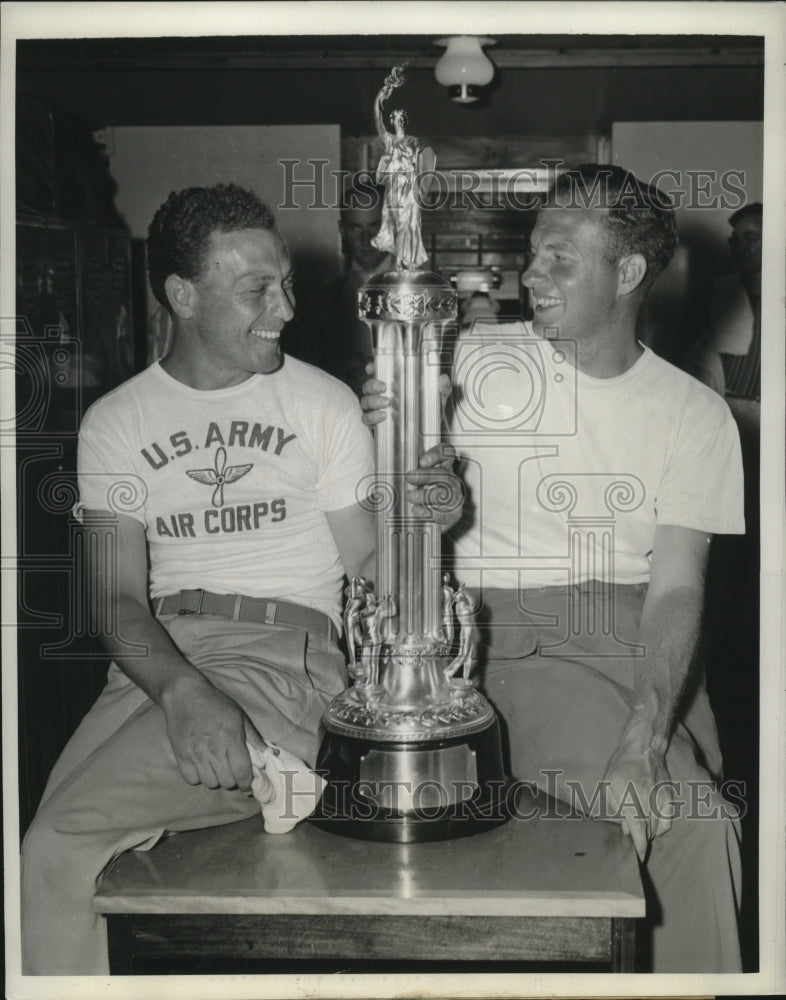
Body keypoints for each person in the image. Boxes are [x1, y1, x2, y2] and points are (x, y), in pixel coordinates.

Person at [20, 182, 458, 976]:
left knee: (55, 845)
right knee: (40, 836)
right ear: (182, 295)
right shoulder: (116, 421)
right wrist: (184, 693)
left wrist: (423, 518)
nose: (286, 307)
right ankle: (276, 771)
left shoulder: (323, 404)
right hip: (159, 660)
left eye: (285, 282)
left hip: (281, 651)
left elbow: (367, 569)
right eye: (258, 289)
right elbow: (116, 600)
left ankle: (293, 753)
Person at [361, 164, 746, 973]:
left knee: (695, 820)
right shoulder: (470, 362)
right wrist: (410, 484)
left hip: (638, 643)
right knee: (680, 823)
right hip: (503, 638)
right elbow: (404, 514)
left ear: (629, 273)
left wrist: (645, 737)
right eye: (532, 253)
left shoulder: (695, 412)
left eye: (561, 258)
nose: (530, 274)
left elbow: (678, 586)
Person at [317, 190, 393, 396]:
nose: (366, 239)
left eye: (374, 226)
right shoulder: (324, 298)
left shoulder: (417, 289)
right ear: (342, 230)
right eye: (355, 228)